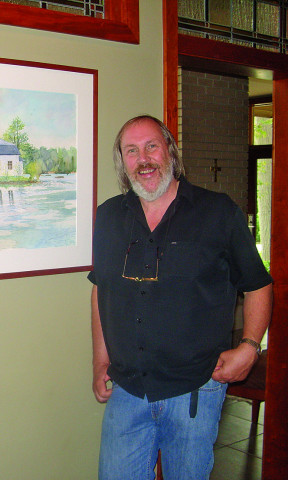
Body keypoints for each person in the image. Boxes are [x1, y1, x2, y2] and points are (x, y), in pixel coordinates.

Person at [88, 115, 272, 480]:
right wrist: (99, 362)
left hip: (195, 390)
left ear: (170, 150)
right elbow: (100, 291)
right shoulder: (108, 216)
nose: (144, 159)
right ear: (123, 163)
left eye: (151, 146)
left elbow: (257, 284)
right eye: (131, 151)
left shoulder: (218, 213)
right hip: (127, 388)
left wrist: (249, 347)